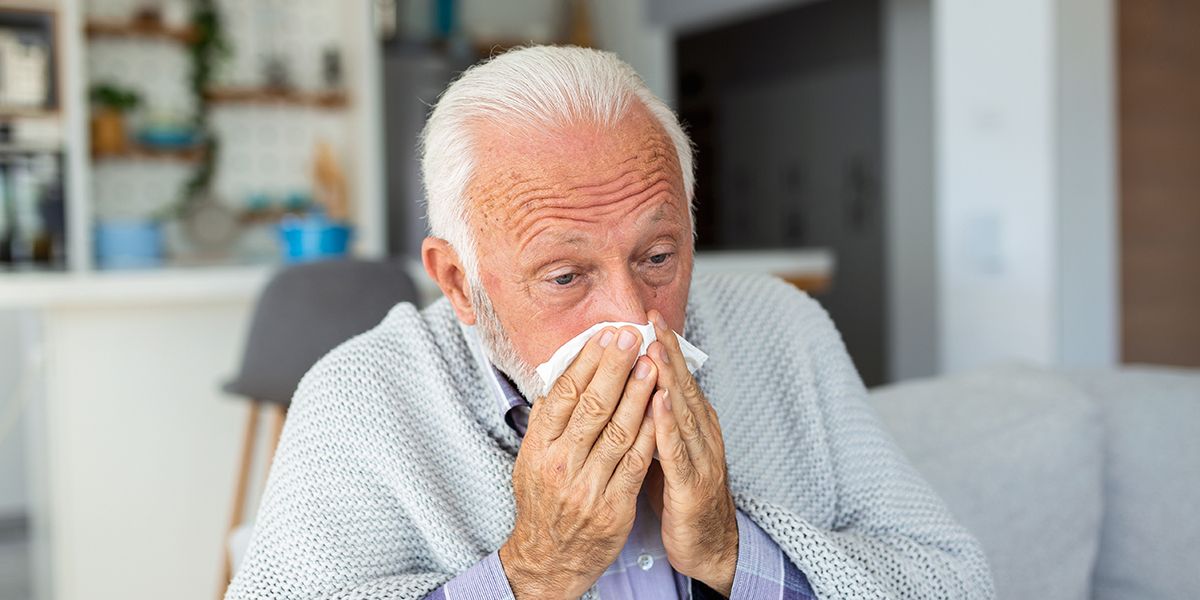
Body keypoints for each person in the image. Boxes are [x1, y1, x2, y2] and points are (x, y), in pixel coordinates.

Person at [226, 45, 994, 600]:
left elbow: (955, 580)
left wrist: (733, 550)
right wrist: (532, 574)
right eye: (565, 276)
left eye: (658, 257)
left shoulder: (784, 330)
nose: (633, 320)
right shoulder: (361, 397)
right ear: (460, 283)